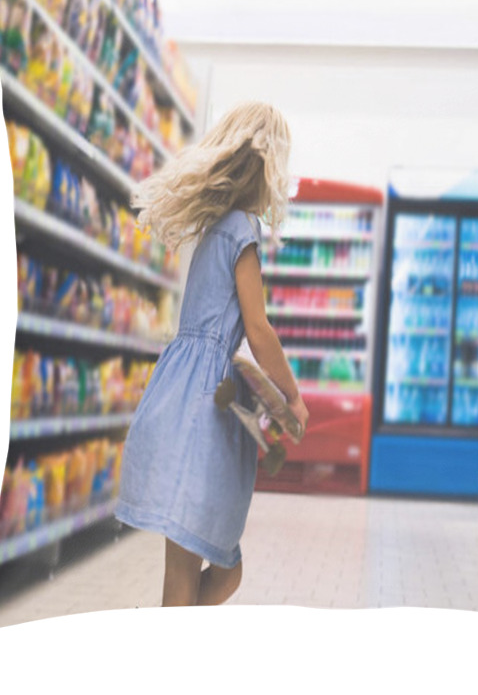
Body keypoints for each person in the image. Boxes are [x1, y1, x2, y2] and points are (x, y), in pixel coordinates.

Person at [114, 102, 309, 607]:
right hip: (201, 412)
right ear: (267, 166)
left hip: (182, 397)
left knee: (204, 567)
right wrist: (292, 394)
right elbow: (259, 330)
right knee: (207, 569)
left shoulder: (216, 229)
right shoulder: (242, 230)